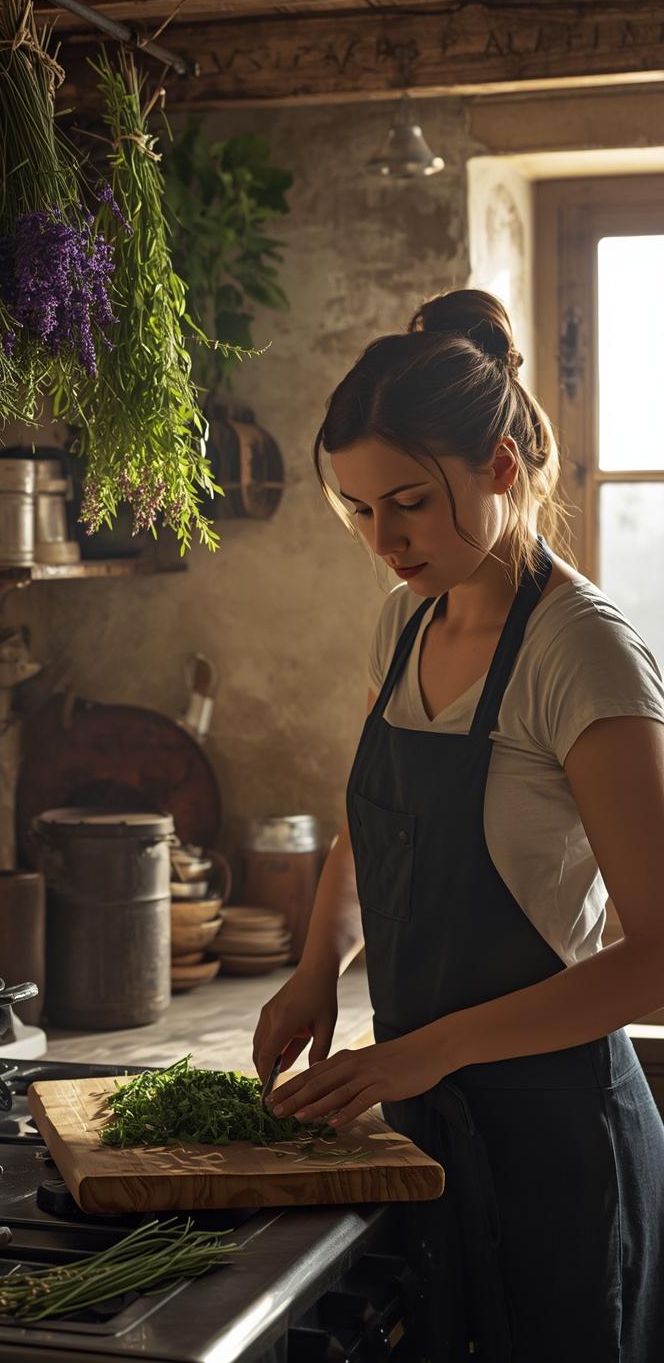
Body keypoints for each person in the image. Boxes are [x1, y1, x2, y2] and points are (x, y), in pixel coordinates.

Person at [253, 288, 664, 1362]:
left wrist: (421, 1053)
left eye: (408, 502)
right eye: (356, 509)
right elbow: (376, 823)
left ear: (499, 467)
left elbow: (656, 961)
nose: (382, 540)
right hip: (424, 1125)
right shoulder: (405, 617)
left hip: (557, 1146)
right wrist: (313, 970)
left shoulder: (581, 652)